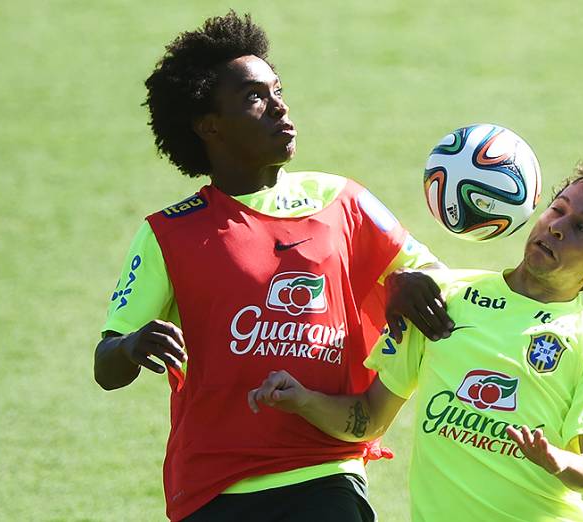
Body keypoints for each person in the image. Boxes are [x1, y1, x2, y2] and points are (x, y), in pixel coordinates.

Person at [93, 11, 453, 522]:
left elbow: (438, 282)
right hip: (216, 488)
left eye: (277, 89)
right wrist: (131, 345)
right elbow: (105, 368)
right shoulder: (169, 234)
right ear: (209, 126)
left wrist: (408, 283)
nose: (280, 107)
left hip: (326, 473)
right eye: (254, 98)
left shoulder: (341, 199)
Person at [249, 160, 583, 521]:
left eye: (581, 227)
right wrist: (302, 398)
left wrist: (557, 460)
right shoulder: (440, 297)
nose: (557, 227)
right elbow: (368, 418)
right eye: (558, 209)